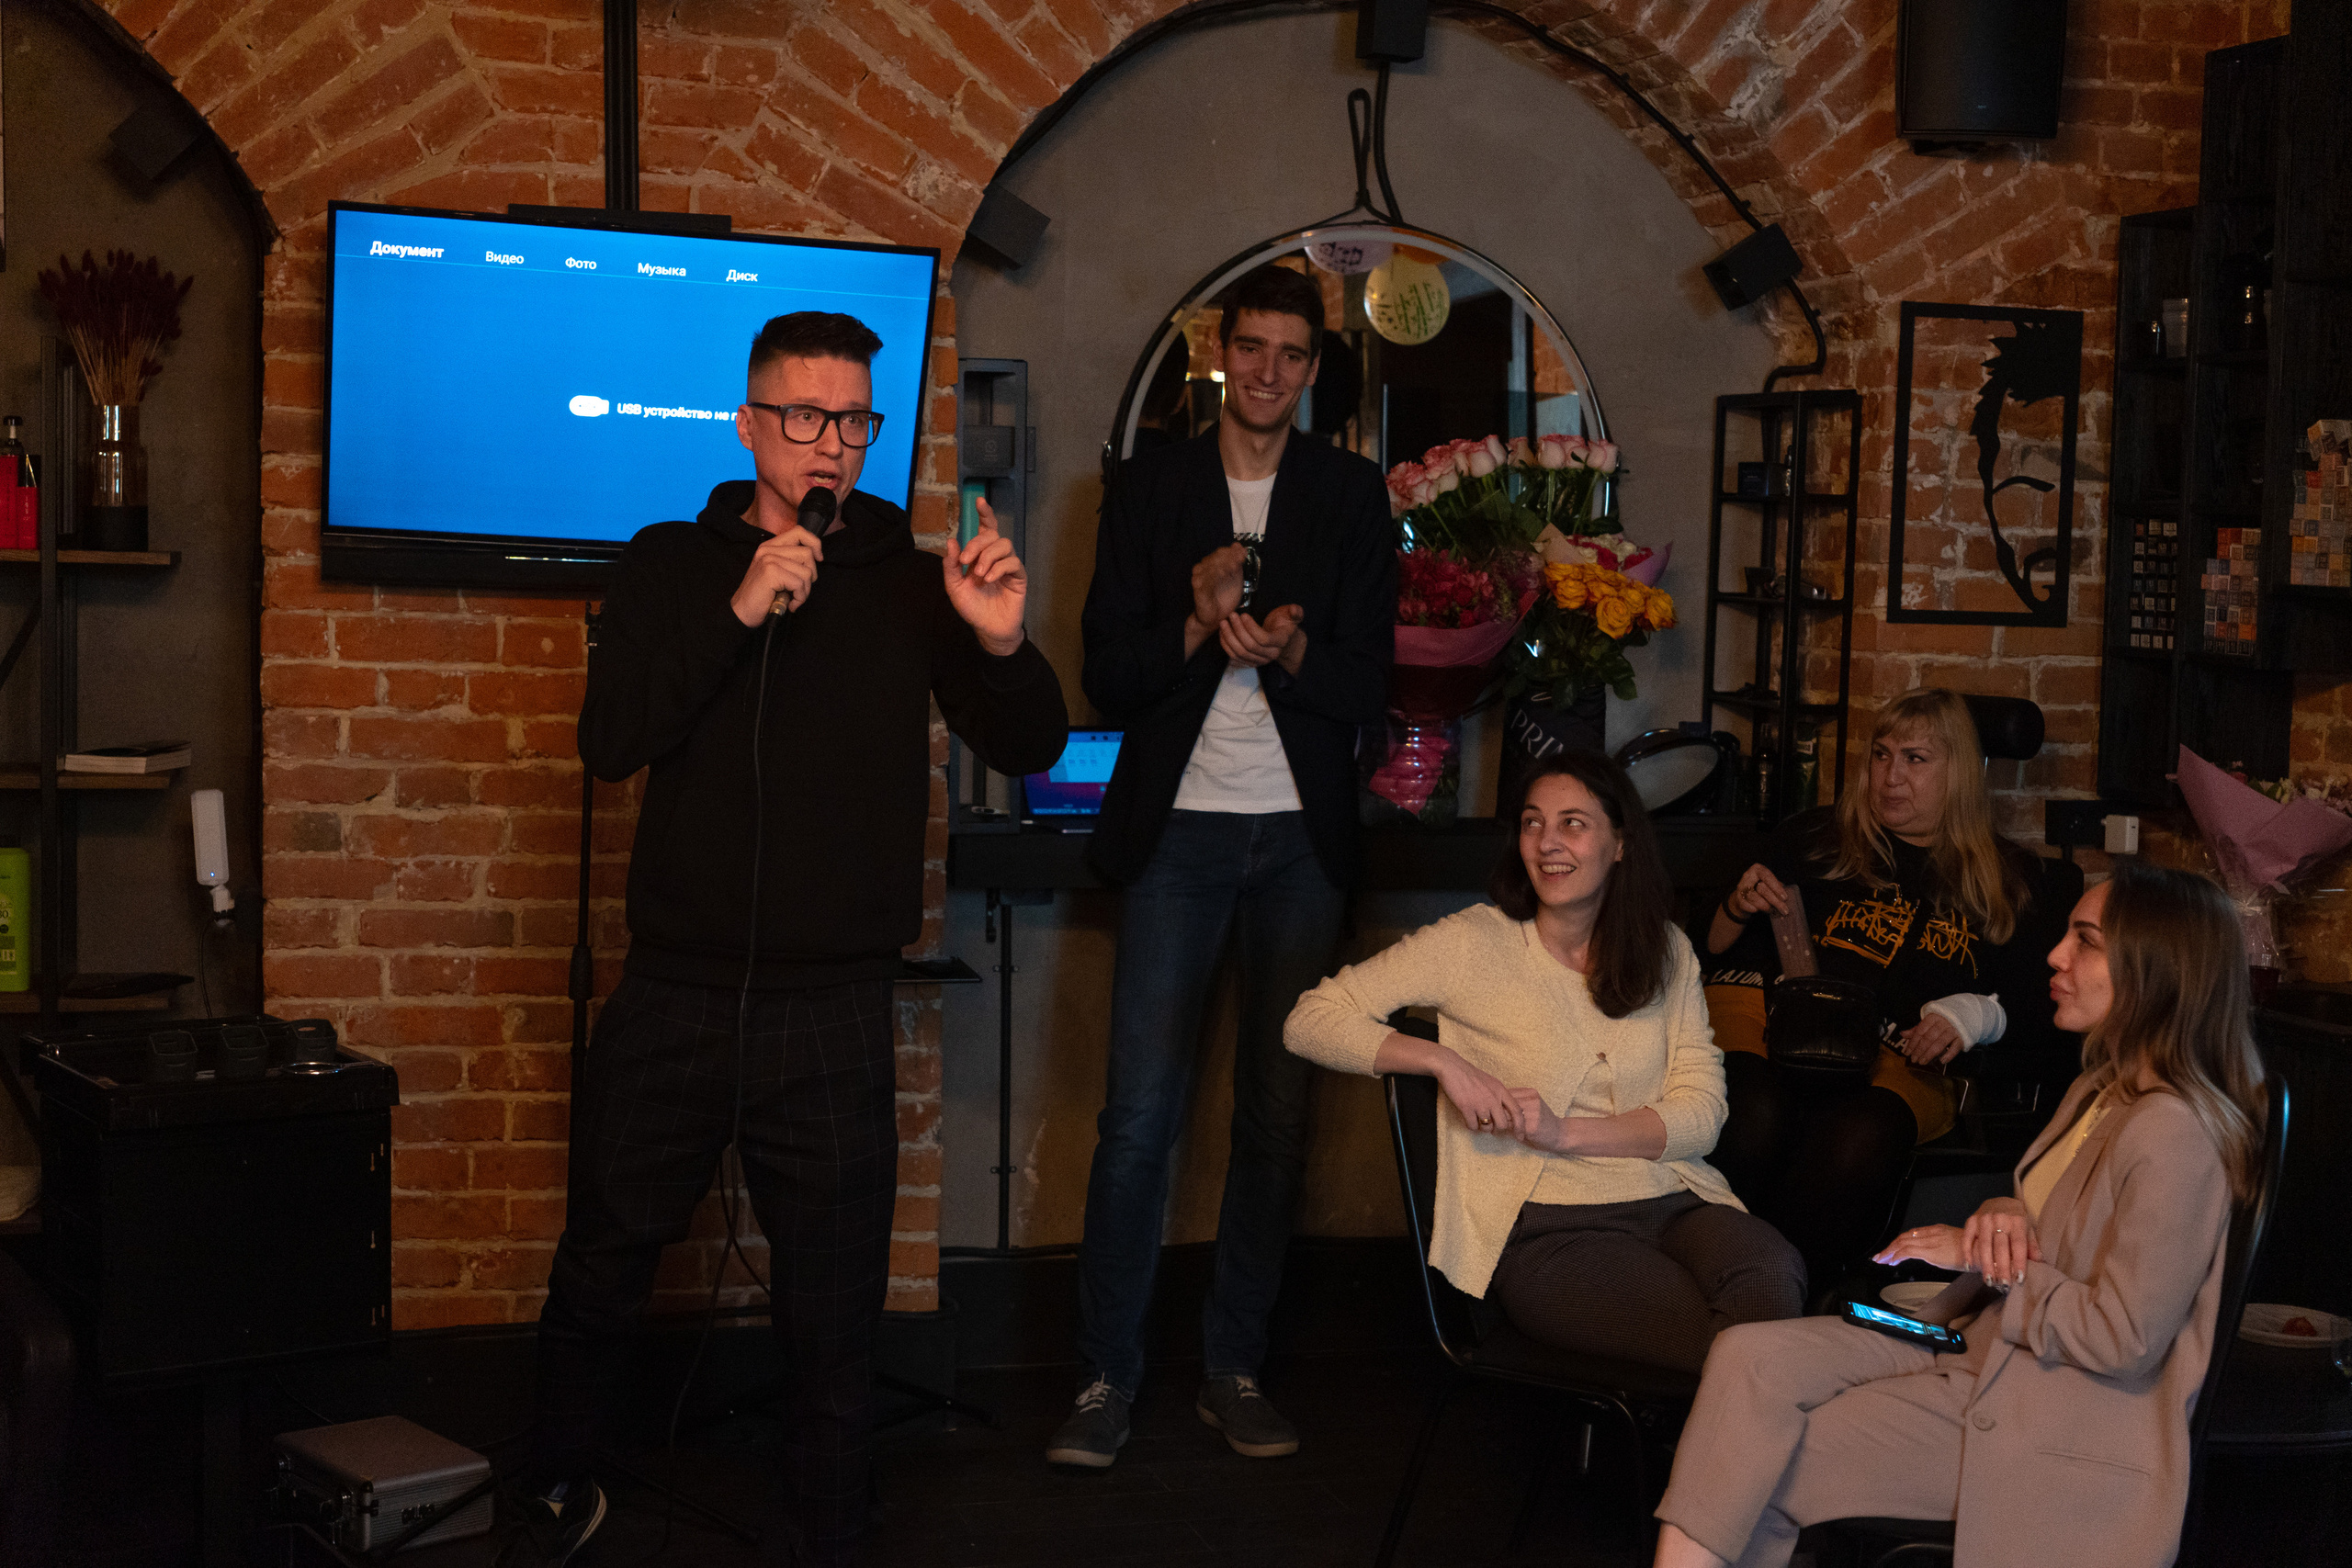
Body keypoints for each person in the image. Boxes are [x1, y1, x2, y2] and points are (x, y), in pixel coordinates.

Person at [525, 311, 1069, 1567]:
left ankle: (834, 1523)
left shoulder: (908, 577)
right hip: (673, 989)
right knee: (603, 1257)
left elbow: (1031, 743)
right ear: (750, 424)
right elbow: (611, 744)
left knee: (832, 1305)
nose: (834, 447)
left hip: (831, 1006)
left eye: (855, 421)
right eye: (807, 419)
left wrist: (998, 638)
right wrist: (739, 604)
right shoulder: (671, 561)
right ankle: (555, 1489)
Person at [1654, 858, 2269, 1568]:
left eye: (2085, 940)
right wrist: (2003, 1214)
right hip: (1962, 1340)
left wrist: (1985, 1258)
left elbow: (2127, 1339)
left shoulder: (2175, 1131)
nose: (2055, 955)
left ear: (2159, 969)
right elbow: (2050, 1225)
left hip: (2053, 1410)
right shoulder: (2101, 1086)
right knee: (1746, 1356)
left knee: (1764, 1452)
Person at [1046, 264, 1396, 1469]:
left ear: (1312, 368)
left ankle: (1234, 1366)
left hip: (1299, 840)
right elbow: (1108, 673)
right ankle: (1106, 1377)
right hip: (1180, 837)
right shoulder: (1150, 486)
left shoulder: (1350, 496)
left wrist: (1293, 650)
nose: (1269, 372)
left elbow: (1371, 685)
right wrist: (1199, 624)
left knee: (1279, 1117)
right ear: (1218, 351)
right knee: (1140, 1119)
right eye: (1252, 347)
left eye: (1292, 354)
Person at [1284, 753, 1804, 1374]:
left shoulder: (1668, 950)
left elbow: (1702, 1115)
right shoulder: (1474, 942)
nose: (1548, 842)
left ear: (1620, 843)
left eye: (1574, 823)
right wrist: (1441, 1060)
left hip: (1675, 1200)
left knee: (1774, 1277)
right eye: (1533, 822)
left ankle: (1709, 1465)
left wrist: (1567, 1131)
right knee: (1741, 1351)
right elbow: (1310, 1019)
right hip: (1548, 1230)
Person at [1695, 689, 2080, 1287]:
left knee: (1863, 1134)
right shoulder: (1814, 839)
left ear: (1959, 770)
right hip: (1774, 1027)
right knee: (1754, 1108)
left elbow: (2040, 1006)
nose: (1890, 776)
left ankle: (1783, 1291)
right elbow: (1707, 953)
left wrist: (1971, 1014)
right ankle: (1699, 1273)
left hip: (1899, 1057)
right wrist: (1734, 906)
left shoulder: (2015, 880)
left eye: (1915, 759)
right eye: (1881, 754)